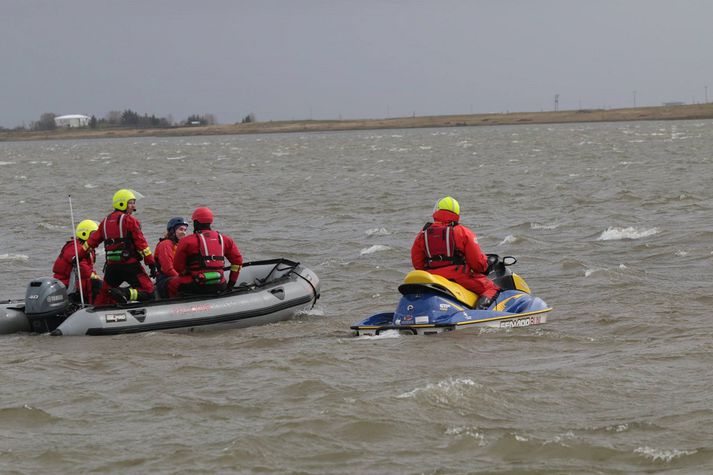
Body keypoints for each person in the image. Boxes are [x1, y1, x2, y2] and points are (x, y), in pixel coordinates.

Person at [411, 196, 499, 309]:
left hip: (433, 278)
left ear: (437, 211)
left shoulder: (423, 234)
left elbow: (417, 263)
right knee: (491, 288)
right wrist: (485, 266)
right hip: (459, 276)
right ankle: (480, 313)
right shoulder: (463, 232)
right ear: (456, 213)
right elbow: (477, 263)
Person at [83, 189, 156, 304]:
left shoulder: (105, 222)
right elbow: (142, 244)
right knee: (150, 292)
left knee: (105, 294)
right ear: (122, 203)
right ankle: (124, 293)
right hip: (130, 265)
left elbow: (91, 242)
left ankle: (94, 311)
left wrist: (78, 255)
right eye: (131, 203)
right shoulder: (129, 220)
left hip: (112, 267)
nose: (133, 206)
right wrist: (151, 263)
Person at [167, 207, 243, 298]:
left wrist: (187, 271)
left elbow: (177, 267)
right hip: (220, 284)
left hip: (195, 285)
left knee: (169, 284)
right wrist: (230, 285)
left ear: (196, 222)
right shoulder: (225, 240)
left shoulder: (187, 241)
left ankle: (175, 307)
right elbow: (238, 262)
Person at [52, 219, 102, 303]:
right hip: (67, 286)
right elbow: (82, 268)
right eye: (93, 235)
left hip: (77, 284)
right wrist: (95, 278)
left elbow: (89, 270)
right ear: (84, 234)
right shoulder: (74, 248)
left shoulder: (87, 249)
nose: (96, 238)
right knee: (97, 284)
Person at [153, 217, 189, 298]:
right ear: (172, 230)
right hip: (165, 280)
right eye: (181, 229)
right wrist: (182, 279)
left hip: (175, 277)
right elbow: (168, 269)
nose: (183, 232)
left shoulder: (179, 245)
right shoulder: (165, 244)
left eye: (185, 230)